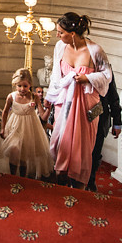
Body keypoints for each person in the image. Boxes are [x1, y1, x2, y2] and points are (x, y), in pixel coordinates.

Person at [43, 12, 111, 188]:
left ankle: (79, 188)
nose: (57, 35)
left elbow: (106, 75)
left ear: (72, 34)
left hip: (86, 105)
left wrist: (88, 78)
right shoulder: (59, 47)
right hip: (63, 103)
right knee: (60, 144)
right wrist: (49, 98)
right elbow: (56, 77)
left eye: (61, 32)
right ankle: (61, 182)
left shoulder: (95, 50)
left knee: (80, 150)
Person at [0, 68, 54, 179]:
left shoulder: (34, 97)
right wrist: (3, 128)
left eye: (25, 86)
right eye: (19, 86)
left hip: (30, 128)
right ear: (15, 84)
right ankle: (12, 175)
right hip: (15, 127)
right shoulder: (11, 97)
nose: (22, 89)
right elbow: (4, 112)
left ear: (30, 85)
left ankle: (23, 178)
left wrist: (48, 109)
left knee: (24, 155)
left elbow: (43, 117)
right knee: (14, 149)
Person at [88, 74, 121, 191]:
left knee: (95, 153)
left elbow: (113, 98)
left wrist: (117, 122)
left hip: (100, 120)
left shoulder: (105, 70)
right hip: (81, 120)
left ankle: (91, 182)